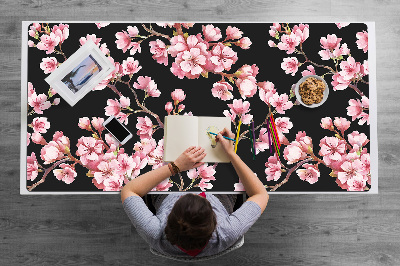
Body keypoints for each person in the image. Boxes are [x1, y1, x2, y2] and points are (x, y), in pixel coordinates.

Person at [121, 128, 269, 258]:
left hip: (165, 195)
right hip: (221, 198)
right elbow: (261, 194)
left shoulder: (155, 233)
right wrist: (231, 153)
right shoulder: (227, 232)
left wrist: (175, 166)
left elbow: (128, 190)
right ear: (214, 223)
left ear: (169, 219)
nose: (197, 193)